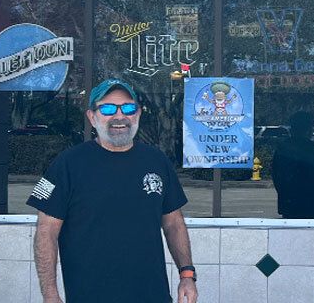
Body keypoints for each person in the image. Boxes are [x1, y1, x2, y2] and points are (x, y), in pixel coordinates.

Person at [29, 78, 199, 303]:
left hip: (152, 296)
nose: (120, 116)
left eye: (128, 108)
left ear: (137, 114)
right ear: (92, 116)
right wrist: (50, 295)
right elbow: (46, 232)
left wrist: (187, 274)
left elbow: (173, 223)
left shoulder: (157, 162)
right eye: (108, 108)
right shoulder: (67, 165)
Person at [272, 111, 314, 219]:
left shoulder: (283, 147)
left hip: (290, 202)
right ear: (306, 129)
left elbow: (276, 175)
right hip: (310, 201)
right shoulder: (310, 148)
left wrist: (284, 194)